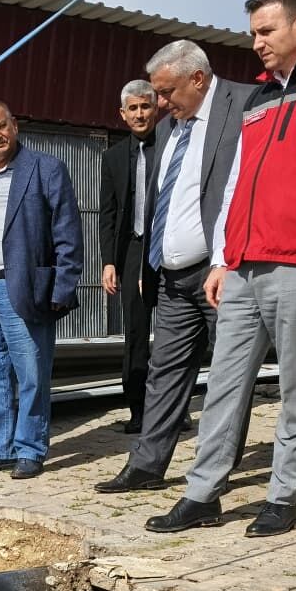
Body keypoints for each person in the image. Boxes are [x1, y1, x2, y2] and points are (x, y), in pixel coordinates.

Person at [147, 0, 296, 537]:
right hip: (244, 265)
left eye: (266, 31)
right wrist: (223, 257)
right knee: (224, 381)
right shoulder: (257, 98)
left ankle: (283, 494)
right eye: (253, 33)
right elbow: (235, 186)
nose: (257, 43)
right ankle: (203, 493)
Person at [92, 40, 247, 494]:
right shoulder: (168, 130)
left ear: (197, 79)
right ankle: (146, 464)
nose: (159, 105)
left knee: (226, 374)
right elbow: (160, 201)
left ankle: (217, 468)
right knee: (164, 372)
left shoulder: (240, 107)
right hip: (171, 277)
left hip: (220, 274)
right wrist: (152, 261)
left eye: (165, 92)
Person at [0, 100, 83, 480]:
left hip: (20, 288)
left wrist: (62, 287)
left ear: (15, 126)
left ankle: (30, 448)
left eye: (2, 126)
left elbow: (68, 236)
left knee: (31, 373)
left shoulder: (45, 169)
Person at [98, 80, 161, 432]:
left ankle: (172, 408)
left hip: (167, 248)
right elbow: (107, 213)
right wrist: (110, 261)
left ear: (156, 109)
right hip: (132, 250)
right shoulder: (112, 157)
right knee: (135, 333)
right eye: (133, 108)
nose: (139, 114)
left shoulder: (170, 146)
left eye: (145, 106)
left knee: (171, 334)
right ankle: (137, 410)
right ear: (122, 114)